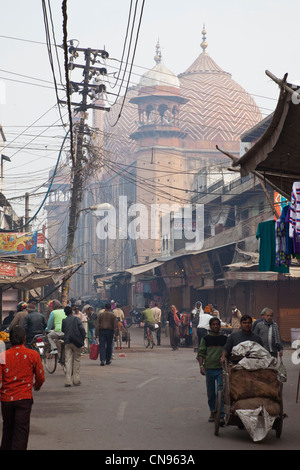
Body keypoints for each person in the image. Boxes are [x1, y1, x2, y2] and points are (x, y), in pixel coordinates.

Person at [0, 325, 45, 450]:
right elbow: (40, 376)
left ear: (10, 339)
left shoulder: (3, 356)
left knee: (8, 429)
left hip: (6, 399)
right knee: (21, 430)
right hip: (24, 398)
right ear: (24, 339)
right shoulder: (33, 355)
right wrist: (37, 386)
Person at [197, 317, 227, 424]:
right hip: (209, 369)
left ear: (220, 326)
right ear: (210, 326)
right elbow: (201, 354)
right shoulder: (205, 339)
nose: (215, 326)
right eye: (213, 324)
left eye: (217, 324)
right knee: (211, 393)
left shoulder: (224, 339)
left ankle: (222, 415)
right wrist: (201, 367)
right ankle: (212, 411)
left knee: (221, 392)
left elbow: (228, 352)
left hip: (221, 370)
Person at [62, 306, 86, 387]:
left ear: (65, 313)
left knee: (67, 361)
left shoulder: (64, 320)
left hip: (67, 342)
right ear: (72, 312)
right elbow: (82, 329)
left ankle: (68, 380)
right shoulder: (77, 319)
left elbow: (63, 330)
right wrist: (82, 339)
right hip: (76, 342)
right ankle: (76, 380)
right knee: (77, 360)